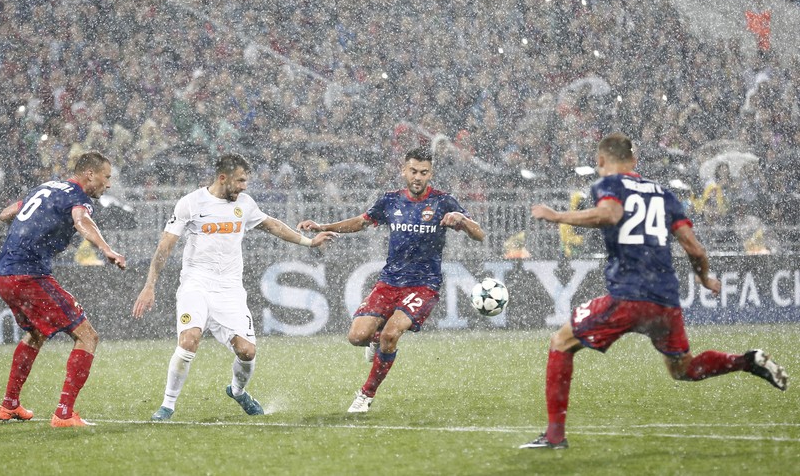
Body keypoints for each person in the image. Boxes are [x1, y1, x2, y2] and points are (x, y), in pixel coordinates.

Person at [522, 133, 788, 449]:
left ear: (601, 161)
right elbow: (695, 248)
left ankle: (554, 437)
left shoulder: (610, 185)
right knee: (684, 369)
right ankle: (748, 361)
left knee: (561, 342)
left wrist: (557, 216)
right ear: (635, 161)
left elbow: (610, 214)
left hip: (628, 297)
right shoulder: (664, 195)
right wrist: (704, 278)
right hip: (665, 302)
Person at [132, 153, 336, 420]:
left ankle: (238, 391)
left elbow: (272, 225)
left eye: (246, 181)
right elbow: (165, 246)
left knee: (247, 351)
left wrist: (309, 242)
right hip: (197, 284)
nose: (244, 186)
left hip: (230, 289)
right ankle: (167, 405)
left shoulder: (245, 204)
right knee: (189, 341)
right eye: (240, 181)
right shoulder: (191, 203)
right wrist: (150, 286)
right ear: (222, 178)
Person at [297, 146, 485, 413]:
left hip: (424, 285)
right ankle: (374, 341)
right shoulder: (390, 200)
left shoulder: (444, 201)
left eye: (424, 172)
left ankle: (365, 395)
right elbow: (361, 222)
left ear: (431, 174)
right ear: (403, 171)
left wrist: (462, 221)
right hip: (389, 282)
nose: (418, 177)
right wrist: (324, 226)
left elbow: (479, 234)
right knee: (356, 337)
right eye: (413, 171)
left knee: (390, 335)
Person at [0, 151, 127, 428]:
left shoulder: (46, 187)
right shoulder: (76, 197)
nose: (109, 184)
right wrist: (107, 250)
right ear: (89, 174)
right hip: (30, 275)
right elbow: (82, 222)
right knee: (87, 336)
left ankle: (9, 405)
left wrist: (28, 228)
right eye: (106, 177)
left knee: (35, 334)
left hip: (5, 274)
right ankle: (64, 414)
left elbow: (6, 213)